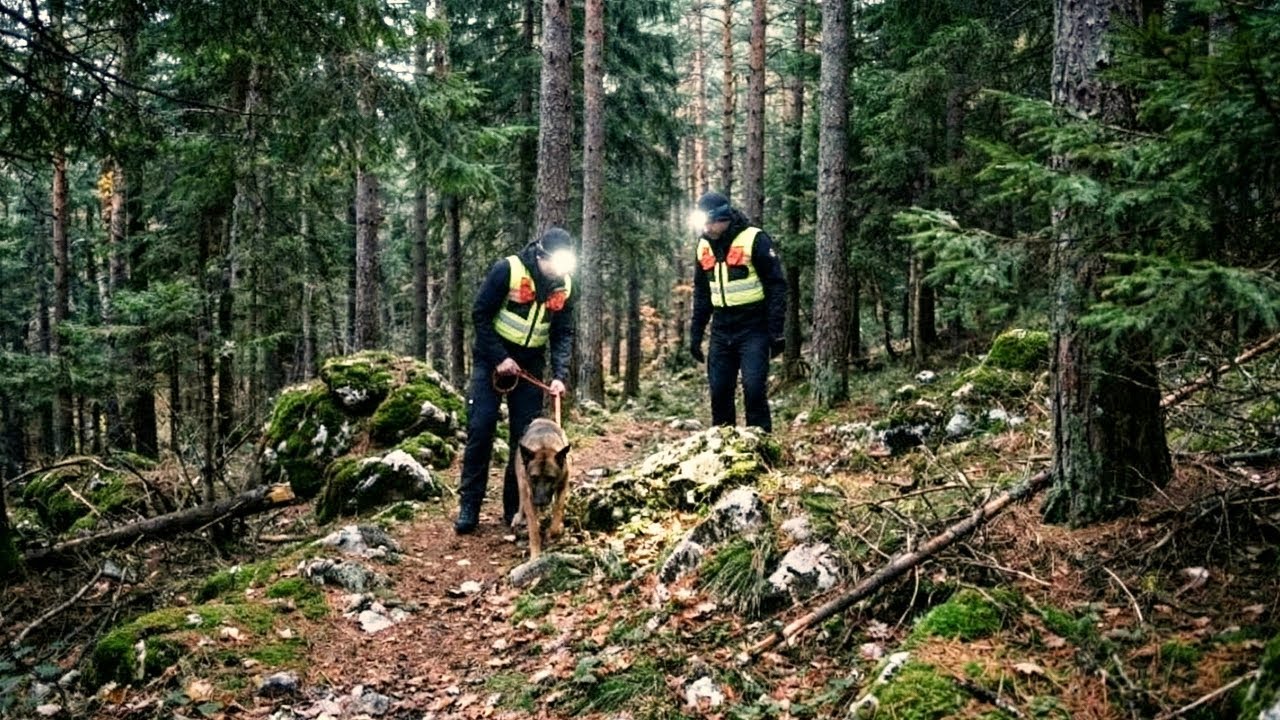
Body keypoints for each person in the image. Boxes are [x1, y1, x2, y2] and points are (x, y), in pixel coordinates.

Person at [455, 227, 576, 534]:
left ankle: (515, 508)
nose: (559, 271)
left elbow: (563, 332)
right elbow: (480, 315)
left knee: (523, 442)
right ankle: (469, 506)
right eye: (556, 264)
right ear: (541, 256)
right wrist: (499, 357)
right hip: (491, 360)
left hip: (530, 364)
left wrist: (559, 374)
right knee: (480, 428)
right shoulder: (508, 270)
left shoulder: (565, 286)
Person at [689, 191, 786, 433]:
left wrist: (775, 331)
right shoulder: (703, 246)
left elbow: (776, 285)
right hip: (721, 329)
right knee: (719, 391)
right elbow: (702, 293)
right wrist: (696, 334)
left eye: (709, 222)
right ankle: (723, 449)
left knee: (754, 389)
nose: (707, 228)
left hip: (754, 327)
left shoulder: (754, 239)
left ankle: (761, 444)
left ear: (722, 218)